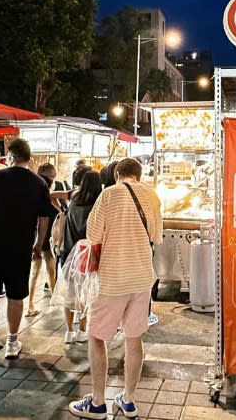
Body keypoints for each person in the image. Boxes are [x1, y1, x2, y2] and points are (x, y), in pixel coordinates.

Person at [69, 158, 162, 420]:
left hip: (112, 280)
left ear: (117, 173)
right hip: (142, 278)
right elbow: (156, 234)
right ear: (139, 175)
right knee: (135, 340)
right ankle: (129, 401)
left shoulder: (108, 194)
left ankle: (98, 403)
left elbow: (93, 235)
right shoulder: (152, 195)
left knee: (97, 338)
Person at [0, 138, 54, 360]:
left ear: (10, 156)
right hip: (21, 244)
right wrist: (38, 243)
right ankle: (12, 340)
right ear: (29, 158)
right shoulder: (39, 183)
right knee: (16, 293)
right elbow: (44, 217)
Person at [60, 170, 101, 344]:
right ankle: (82, 330)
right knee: (85, 291)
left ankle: (69, 331)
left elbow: (51, 195)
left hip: (68, 250)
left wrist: (60, 209)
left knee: (70, 292)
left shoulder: (74, 198)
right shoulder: (98, 204)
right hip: (87, 252)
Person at [26, 164, 64, 317]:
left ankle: (31, 304)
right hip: (47, 237)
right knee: (49, 270)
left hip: (38, 237)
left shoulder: (33, 190)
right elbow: (58, 211)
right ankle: (51, 301)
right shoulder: (51, 191)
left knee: (38, 272)